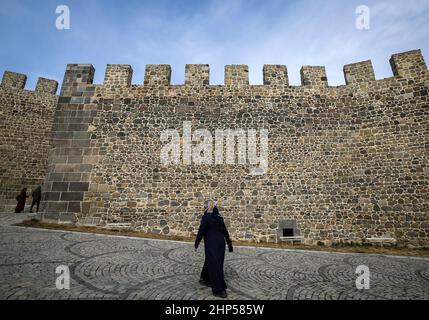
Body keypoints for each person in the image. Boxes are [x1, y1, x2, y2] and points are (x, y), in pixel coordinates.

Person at [195, 200, 233, 298]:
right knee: (214, 262)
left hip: (212, 245)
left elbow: (201, 231)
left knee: (215, 264)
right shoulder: (220, 218)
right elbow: (225, 231)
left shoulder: (207, 217)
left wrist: (196, 243)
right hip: (220, 244)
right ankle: (205, 278)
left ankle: (218, 289)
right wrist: (229, 243)